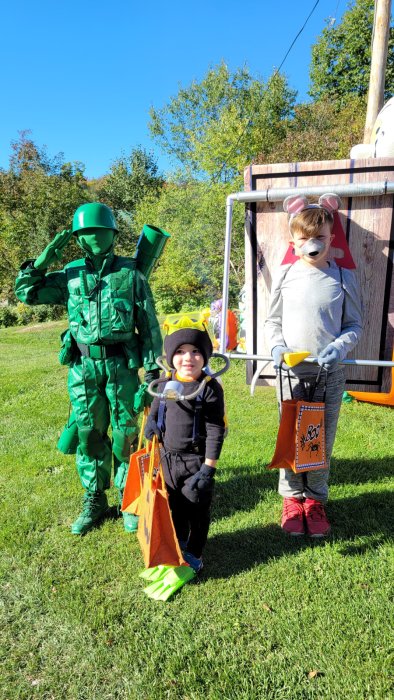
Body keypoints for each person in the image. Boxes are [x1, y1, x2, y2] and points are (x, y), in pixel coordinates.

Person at [15, 202, 162, 535]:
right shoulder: (71, 273)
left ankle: (130, 498)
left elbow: (149, 324)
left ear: (112, 234)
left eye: (100, 232)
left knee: (126, 432)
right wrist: (44, 258)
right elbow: (27, 293)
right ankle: (94, 498)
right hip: (83, 367)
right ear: (78, 238)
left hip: (122, 366)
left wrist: (152, 372)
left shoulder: (130, 272)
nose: (94, 239)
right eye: (86, 234)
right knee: (88, 434)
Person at [265, 193, 363, 537]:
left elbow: (355, 325)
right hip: (290, 375)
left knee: (320, 440)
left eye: (319, 237)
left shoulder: (342, 277)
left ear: (331, 239)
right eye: (304, 238)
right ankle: (292, 499)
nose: (312, 244)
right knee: (292, 438)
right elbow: (272, 321)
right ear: (294, 242)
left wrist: (339, 346)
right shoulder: (286, 275)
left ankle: (315, 500)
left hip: (329, 376)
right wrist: (276, 345)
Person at [144, 317, 226, 572]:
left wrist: (208, 468)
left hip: (195, 461)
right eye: (180, 352)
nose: (187, 358)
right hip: (168, 459)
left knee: (197, 510)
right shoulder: (166, 381)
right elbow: (157, 405)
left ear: (205, 357)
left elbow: (215, 429)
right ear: (170, 357)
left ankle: (195, 552)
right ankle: (178, 543)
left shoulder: (209, 389)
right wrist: (151, 425)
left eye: (195, 352)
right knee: (175, 506)